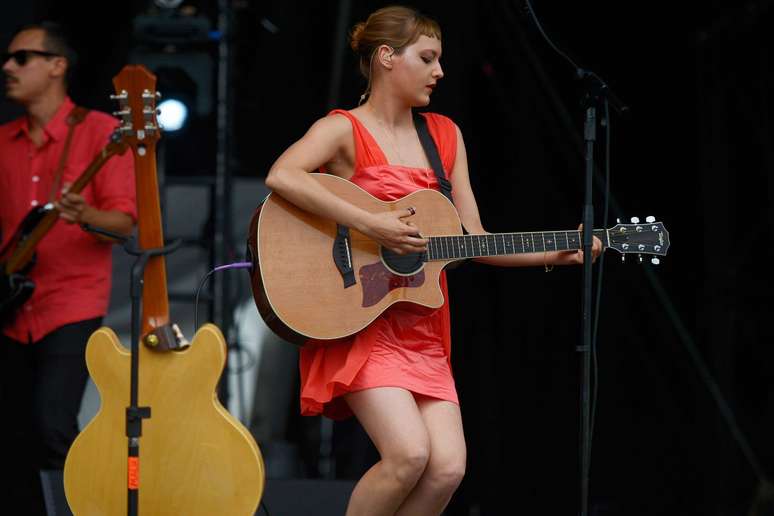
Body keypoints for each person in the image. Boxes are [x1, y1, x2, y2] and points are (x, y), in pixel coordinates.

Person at [264, 6, 602, 515]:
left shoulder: (444, 135)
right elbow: (283, 176)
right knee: (409, 454)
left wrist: (563, 252)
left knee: (446, 468)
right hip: (360, 319)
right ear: (385, 58)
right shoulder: (342, 130)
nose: (439, 71)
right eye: (427, 58)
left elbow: (475, 238)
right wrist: (371, 223)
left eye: (439, 60)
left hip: (421, 328)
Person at [0, 21, 136, 513]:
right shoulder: (3, 140)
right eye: (9, 58)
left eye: (21, 58)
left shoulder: (102, 132)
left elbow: (122, 226)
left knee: (53, 424)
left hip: (70, 302)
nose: (7, 67)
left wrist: (86, 215)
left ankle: (83, 507)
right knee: (11, 438)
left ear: (57, 66)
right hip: (9, 308)